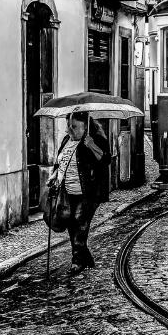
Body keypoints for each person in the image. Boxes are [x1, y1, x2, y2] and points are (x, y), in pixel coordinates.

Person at [48, 111, 111, 274]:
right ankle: (86, 258)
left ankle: (77, 261)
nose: (70, 130)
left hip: (88, 191)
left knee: (80, 222)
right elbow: (60, 163)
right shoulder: (66, 141)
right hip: (67, 191)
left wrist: (91, 145)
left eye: (74, 126)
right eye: (69, 126)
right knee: (70, 223)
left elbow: (106, 160)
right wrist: (54, 175)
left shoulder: (96, 140)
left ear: (85, 126)